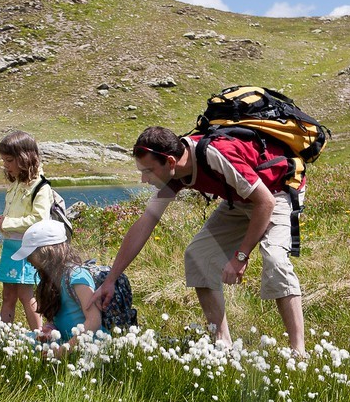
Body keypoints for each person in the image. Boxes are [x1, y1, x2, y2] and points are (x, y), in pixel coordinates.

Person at [93, 125, 305, 354]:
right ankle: (222, 345)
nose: (144, 179)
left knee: (274, 258)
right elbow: (145, 224)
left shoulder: (215, 155)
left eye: (148, 171)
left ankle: (298, 352)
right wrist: (111, 280)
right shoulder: (174, 177)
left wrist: (241, 256)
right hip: (240, 198)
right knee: (198, 255)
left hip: (276, 192)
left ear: (171, 163)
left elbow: (265, 203)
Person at [0, 131, 55, 330]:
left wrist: (7, 223)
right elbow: (17, 213)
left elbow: (39, 219)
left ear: (25, 158)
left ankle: (39, 335)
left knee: (26, 294)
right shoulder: (18, 183)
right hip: (12, 246)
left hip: (28, 249)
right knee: (8, 293)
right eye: (4, 160)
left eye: (9, 160)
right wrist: (3, 220)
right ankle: (3, 337)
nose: (5, 165)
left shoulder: (41, 187)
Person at [13, 219, 102, 351]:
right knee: (17, 343)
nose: (28, 259)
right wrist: (50, 329)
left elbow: (94, 321)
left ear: (46, 253)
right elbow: (55, 316)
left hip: (88, 345)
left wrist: (63, 351)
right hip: (64, 341)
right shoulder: (49, 279)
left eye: (30, 254)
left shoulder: (77, 276)